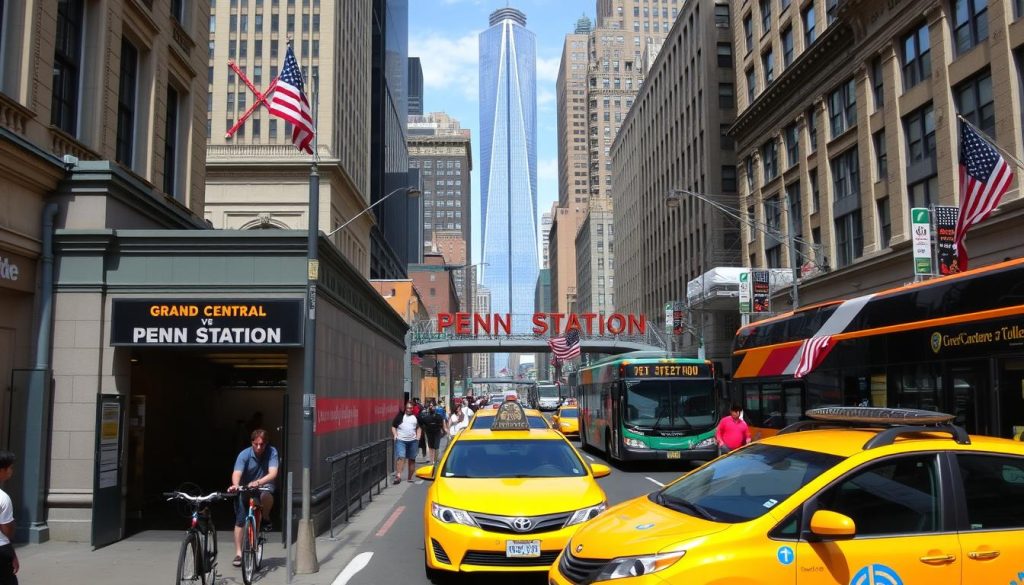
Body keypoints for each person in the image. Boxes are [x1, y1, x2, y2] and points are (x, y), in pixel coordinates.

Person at [227, 429, 279, 568]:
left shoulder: (272, 452)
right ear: (252, 443)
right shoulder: (244, 455)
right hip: (247, 487)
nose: (259, 447)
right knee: (240, 521)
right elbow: (237, 473)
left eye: (262, 444)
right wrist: (236, 486)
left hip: (263, 486)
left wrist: (258, 482)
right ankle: (239, 553)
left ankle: (265, 517)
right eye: (256, 444)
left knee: (266, 495)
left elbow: (273, 473)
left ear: (266, 443)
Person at [392, 402, 422, 484]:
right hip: (401, 440)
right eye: (408, 408)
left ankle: (409, 477)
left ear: (412, 409)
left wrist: (418, 437)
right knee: (401, 457)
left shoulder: (415, 417)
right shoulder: (401, 416)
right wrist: (395, 435)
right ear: (405, 408)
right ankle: (398, 476)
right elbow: (394, 426)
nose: (409, 409)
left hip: (413, 441)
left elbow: (419, 428)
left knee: (412, 459)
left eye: (411, 408)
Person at [0, 451, 18, 585]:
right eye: (10, 467)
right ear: (2, 470)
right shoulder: (3, 498)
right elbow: (7, 531)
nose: (12, 471)